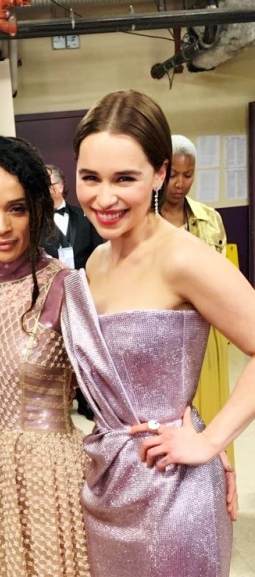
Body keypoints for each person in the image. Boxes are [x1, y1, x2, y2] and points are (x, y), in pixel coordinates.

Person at [60, 90, 248, 577]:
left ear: (160, 173)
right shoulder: (97, 259)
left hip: (174, 496)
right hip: (107, 488)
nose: (104, 198)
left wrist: (211, 444)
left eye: (125, 178)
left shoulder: (181, 257)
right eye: (90, 178)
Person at [0, 136, 91, 577]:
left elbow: (111, 390)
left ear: (38, 207)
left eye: (15, 208)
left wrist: (185, 427)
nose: (1, 226)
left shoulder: (66, 286)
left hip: (50, 479)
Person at [161, 134, 233, 463]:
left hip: (209, 326)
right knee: (174, 412)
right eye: (173, 174)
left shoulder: (209, 219)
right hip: (166, 332)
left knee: (214, 407)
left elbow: (227, 278)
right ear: (161, 172)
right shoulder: (148, 222)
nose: (179, 183)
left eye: (187, 175)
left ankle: (217, 479)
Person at [42, 164, 103, 420]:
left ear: (58, 186)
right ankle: (59, 400)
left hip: (85, 293)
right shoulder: (38, 223)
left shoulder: (83, 217)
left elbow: (100, 252)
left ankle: (87, 400)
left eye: (46, 184)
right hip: (51, 295)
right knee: (55, 347)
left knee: (87, 346)